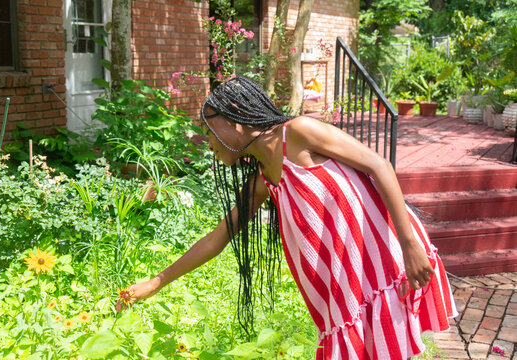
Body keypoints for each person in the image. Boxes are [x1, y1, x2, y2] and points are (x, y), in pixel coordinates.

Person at [116, 76, 457, 359]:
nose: (208, 143)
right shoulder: (263, 181)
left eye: (209, 131)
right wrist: (155, 283)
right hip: (343, 287)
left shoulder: (299, 133)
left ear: (236, 123)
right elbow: (216, 239)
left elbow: (378, 165)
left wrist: (409, 244)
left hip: (380, 259)